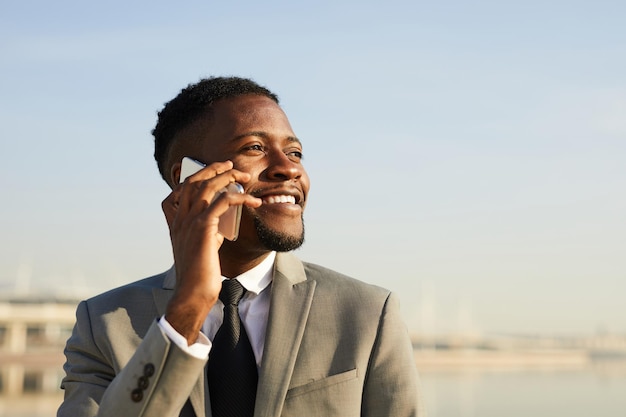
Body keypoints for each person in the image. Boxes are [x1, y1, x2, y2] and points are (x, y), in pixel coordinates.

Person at [57, 76, 423, 417]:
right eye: (255, 147)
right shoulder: (103, 324)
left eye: (295, 153)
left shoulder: (369, 314)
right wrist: (186, 312)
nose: (289, 169)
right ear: (186, 177)